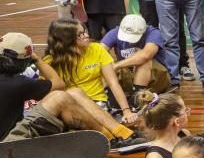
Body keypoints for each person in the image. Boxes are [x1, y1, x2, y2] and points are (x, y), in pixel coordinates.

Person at [0, 32, 145, 150]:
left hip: (13, 130)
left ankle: (122, 133)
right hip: (8, 142)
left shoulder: (14, 81)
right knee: (60, 98)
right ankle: (109, 138)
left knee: (74, 92)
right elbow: (58, 83)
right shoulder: (17, 83)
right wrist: (36, 59)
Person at [44, 18, 137, 122]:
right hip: (69, 106)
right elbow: (48, 93)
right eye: (80, 34)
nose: (87, 36)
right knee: (73, 94)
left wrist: (126, 111)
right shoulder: (50, 61)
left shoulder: (97, 49)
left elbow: (113, 83)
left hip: (97, 103)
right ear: (67, 39)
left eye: (85, 32)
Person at [100, 14, 171, 96]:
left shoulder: (154, 33)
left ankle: (137, 100)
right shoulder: (115, 32)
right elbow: (99, 51)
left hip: (156, 78)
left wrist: (116, 66)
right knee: (105, 63)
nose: (129, 41)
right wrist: (109, 64)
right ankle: (107, 98)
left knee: (143, 62)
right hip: (128, 75)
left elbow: (146, 55)